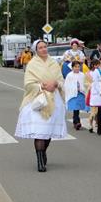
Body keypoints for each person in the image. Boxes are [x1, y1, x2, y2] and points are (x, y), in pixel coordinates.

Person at [15, 40, 66, 172]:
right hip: (39, 100)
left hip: (54, 100)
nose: (43, 49)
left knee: (48, 132)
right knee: (40, 132)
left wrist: (56, 84)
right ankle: (39, 162)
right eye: (40, 48)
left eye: (45, 47)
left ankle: (43, 152)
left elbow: (61, 80)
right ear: (36, 50)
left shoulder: (54, 63)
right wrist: (41, 86)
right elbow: (28, 84)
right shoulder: (32, 64)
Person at [64, 61, 86, 130]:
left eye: (78, 67)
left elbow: (84, 83)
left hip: (80, 94)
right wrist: (74, 89)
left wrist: (82, 89)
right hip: (73, 94)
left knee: (78, 108)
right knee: (75, 108)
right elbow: (67, 85)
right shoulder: (69, 75)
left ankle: (75, 121)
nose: (77, 68)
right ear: (72, 67)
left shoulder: (82, 75)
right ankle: (77, 122)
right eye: (75, 67)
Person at [85, 59, 100, 133]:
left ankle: (96, 123)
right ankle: (90, 124)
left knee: (98, 110)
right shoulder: (89, 73)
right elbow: (86, 83)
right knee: (94, 110)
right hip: (92, 93)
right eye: (97, 65)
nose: (98, 66)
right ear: (93, 65)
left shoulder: (98, 72)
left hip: (98, 92)